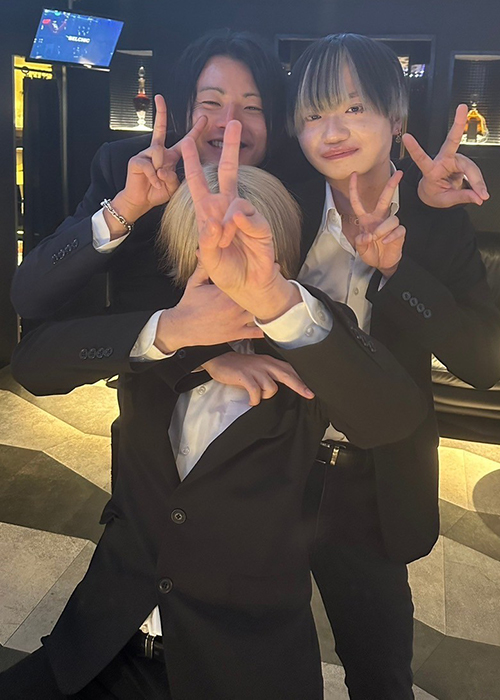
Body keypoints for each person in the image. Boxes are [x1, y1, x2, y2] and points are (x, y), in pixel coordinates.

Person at [3, 131, 426, 699]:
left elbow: (392, 417)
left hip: (240, 671)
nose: (226, 262)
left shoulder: (313, 341)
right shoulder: (162, 335)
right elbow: (34, 364)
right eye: (206, 247)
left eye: (248, 245)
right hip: (101, 650)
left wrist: (274, 302)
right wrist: (176, 336)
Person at [285, 33, 500, 699]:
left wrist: (401, 270)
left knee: (380, 673)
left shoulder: (434, 224)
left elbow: (483, 362)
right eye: (314, 113)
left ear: (396, 117)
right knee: (259, 659)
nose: (333, 131)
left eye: (354, 107)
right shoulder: (283, 205)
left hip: (370, 487)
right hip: (273, 465)